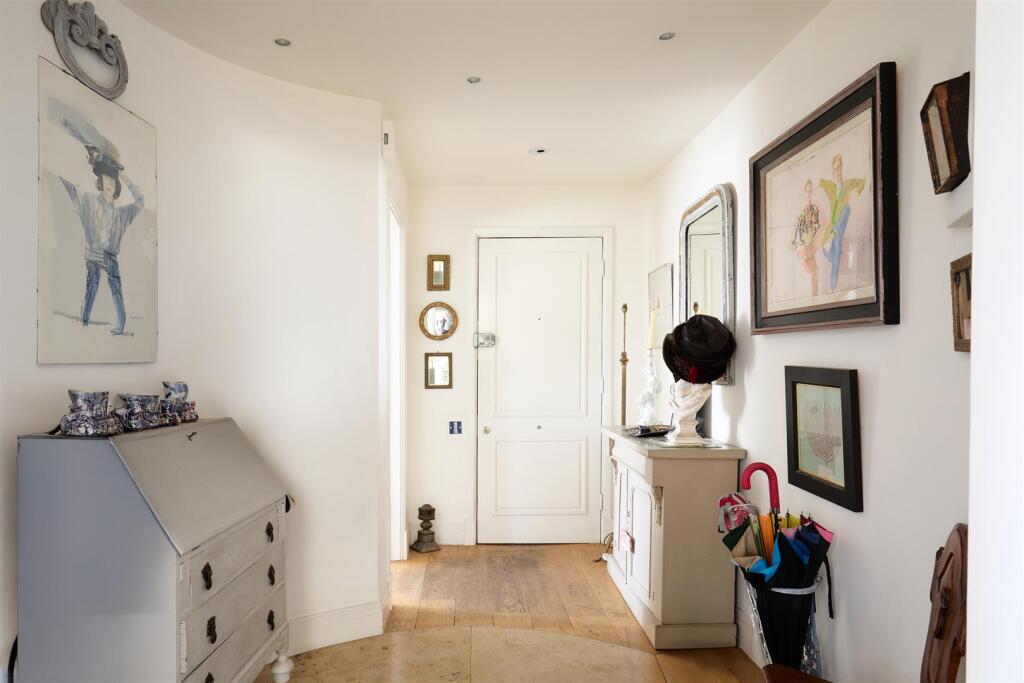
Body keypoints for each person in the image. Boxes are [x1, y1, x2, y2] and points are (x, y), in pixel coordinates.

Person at [60, 144, 144, 335]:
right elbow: (71, 187)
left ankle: (120, 325)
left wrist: (123, 176)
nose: (109, 183)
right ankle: (84, 321)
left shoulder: (122, 214)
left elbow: (140, 201)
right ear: (100, 180)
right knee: (92, 285)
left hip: (110, 257)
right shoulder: (89, 201)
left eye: (113, 180)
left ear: (117, 185)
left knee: (116, 289)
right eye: (106, 177)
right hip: (92, 253)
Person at [819, 154, 865, 291]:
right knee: (827, 250)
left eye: (839, 167)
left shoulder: (847, 184)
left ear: (842, 168)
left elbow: (862, 182)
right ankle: (835, 255)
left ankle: (832, 287)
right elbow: (822, 182)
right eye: (835, 169)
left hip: (842, 220)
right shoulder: (832, 188)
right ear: (832, 171)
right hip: (833, 224)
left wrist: (854, 195)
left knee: (846, 210)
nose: (837, 171)